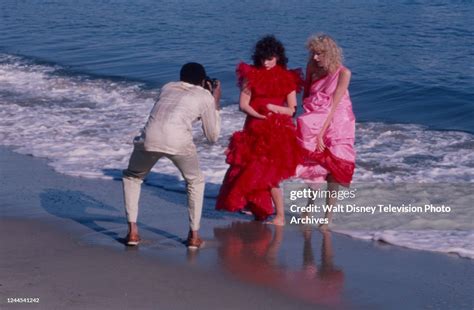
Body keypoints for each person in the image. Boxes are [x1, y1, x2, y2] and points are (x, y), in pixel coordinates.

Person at [122, 62, 221, 248]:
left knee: (133, 177)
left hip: (149, 137)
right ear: (203, 80)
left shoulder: (167, 87)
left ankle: (133, 233)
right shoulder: (205, 96)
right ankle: (194, 236)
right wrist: (215, 101)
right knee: (195, 181)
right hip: (178, 141)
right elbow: (212, 136)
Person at [216, 35, 302, 225]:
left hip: (277, 134)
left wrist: (274, 108)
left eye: (270, 58)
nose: (266, 63)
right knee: (247, 171)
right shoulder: (251, 76)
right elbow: (243, 105)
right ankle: (258, 211)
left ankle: (279, 216)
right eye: (263, 58)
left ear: (278, 57)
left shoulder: (288, 79)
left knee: (269, 176)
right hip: (253, 129)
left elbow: (292, 110)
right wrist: (260, 115)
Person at [296, 34, 356, 229]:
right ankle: (309, 206)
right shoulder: (312, 68)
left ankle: (327, 217)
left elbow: (334, 104)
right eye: (313, 53)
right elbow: (306, 98)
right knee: (315, 166)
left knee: (335, 169)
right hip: (315, 118)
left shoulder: (343, 73)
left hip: (338, 122)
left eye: (319, 54)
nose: (314, 58)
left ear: (329, 53)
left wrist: (321, 133)